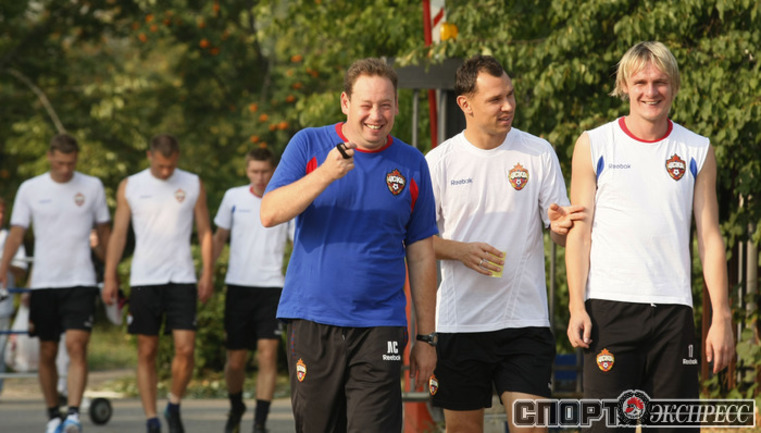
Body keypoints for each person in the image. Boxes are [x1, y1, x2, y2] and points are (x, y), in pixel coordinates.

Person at [260, 57, 438, 433]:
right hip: (313, 319)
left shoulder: (412, 163)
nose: (376, 115)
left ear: (396, 106)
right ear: (346, 103)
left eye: (385, 105)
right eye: (366, 105)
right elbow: (270, 213)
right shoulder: (309, 144)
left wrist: (426, 337)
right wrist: (325, 173)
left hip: (380, 325)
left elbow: (422, 255)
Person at [565, 41, 734, 432]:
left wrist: (721, 317)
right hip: (609, 311)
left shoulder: (697, 149)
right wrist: (576, 305)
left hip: (674, 314)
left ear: (674, 86)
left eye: (660, 82)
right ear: (625, 86)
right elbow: (580, 234)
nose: (650, 91)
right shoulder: (594, 143)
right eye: (640, 82)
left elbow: (710, 238)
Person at [424, 55, 583, 433]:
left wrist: (562, 228)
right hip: (460, 325)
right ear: (465, 104)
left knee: (533, 427)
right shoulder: (439, 161)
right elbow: (413, 242)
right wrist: (460, 250)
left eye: (510, 95)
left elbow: (559, 232)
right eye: (495, 99)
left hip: (525, 323)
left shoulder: (538, 152)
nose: (508, 106)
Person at [0, 134, 112, 433]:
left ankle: (73, 414)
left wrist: (112, 272)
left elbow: (105, 233)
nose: (65, 169)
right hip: (45, 282)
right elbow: (17, 232)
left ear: (77, 159)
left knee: (77, 345)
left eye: (71, 163)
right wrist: (3, 266)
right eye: (60, 163)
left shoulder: (92, 186)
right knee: (47, 351)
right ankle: (53, 415)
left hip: (81, 279)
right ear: (50, 156)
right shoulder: (30, 188)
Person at [103, 134, 214, 433]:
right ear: (150, 156)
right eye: (161, 166)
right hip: (145, 278)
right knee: (146, 350)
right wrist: (110, 275)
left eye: (171, 166)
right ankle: (151, 418)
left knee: (186, 349)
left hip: (182, 276)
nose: (166, 172)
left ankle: (173, 404)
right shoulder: (130, 185)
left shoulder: (192, 183)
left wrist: (207, 272)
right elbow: (118, 234)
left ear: (178, 158)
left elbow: (205, 231)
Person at [212, 148, 294, 433]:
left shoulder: (285, 198)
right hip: (238, 287)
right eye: (254, 171)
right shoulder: (232, 197)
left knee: (267, 355)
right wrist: (207, 275)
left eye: (265, 171)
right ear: (247, 171)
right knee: (236, 361)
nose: (260, 177)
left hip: (271, 287)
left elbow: (298, 243)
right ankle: (236, 407)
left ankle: (260, 422)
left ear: (274, 171)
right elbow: (219, 238)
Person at [0, 197, 29, 397]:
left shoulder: (11, 238)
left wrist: (5, 263)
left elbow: (21, 270)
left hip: (3, 306)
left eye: (2, 211)